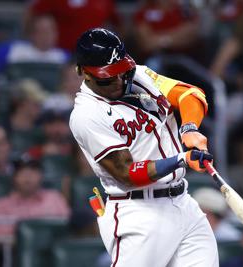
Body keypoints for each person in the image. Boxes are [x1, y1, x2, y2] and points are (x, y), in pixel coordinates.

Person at [69, 28, 218, 266]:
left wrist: (189, 128)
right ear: (82, 72)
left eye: (122, 72)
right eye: (108, 77)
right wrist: (181, 159)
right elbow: (127, 173)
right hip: (138, 212)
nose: (118, 81)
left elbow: (191, 94)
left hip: (183, 202)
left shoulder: (139, 75)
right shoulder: (86, 115)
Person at [0, 159, 70, 236]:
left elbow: (68, 228)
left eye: (33, 171)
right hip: (16, 250)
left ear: (41, 176)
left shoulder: (55, 198)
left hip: (52, 249)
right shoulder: (0, 205)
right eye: (22, 172)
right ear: (14, 177)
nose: (27, 176)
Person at [26, 0, 122, 51]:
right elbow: (33, 13)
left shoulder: (104, 1)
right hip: (61, 54)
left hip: (93, 54)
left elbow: (117, 23)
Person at [0, 15, 69, 74]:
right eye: (42, 31)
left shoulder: (63, 57)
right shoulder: (12, 50)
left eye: (50, 31)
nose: (46, 36)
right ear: (32, 34)